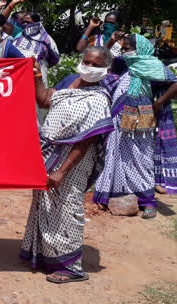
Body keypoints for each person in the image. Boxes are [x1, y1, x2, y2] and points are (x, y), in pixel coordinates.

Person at [20, 47, 115, 284]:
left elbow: (86, 140)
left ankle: (70, 267)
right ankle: (46, 256)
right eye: (86, 61)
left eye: (95, 64)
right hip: (48, 154)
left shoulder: (99, 98)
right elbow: (44, 101)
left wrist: (62, 171)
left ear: (105, 69)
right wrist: (36, 76)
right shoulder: (72, 83)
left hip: (73, 162)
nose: (89, 67)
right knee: (45, 204)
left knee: (67, 208)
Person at [92, 34, 177, 219]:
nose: (125, 51)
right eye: (124, 48)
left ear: (140, 49)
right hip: (119, 118)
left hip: (142, 120)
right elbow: (105, 58)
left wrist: (158, 104)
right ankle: (112, 193)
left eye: (127, 48)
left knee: (141, 157)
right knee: (115, 153)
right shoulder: (124, 64)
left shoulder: (153, 66)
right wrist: (110, 41)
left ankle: (147, 201)